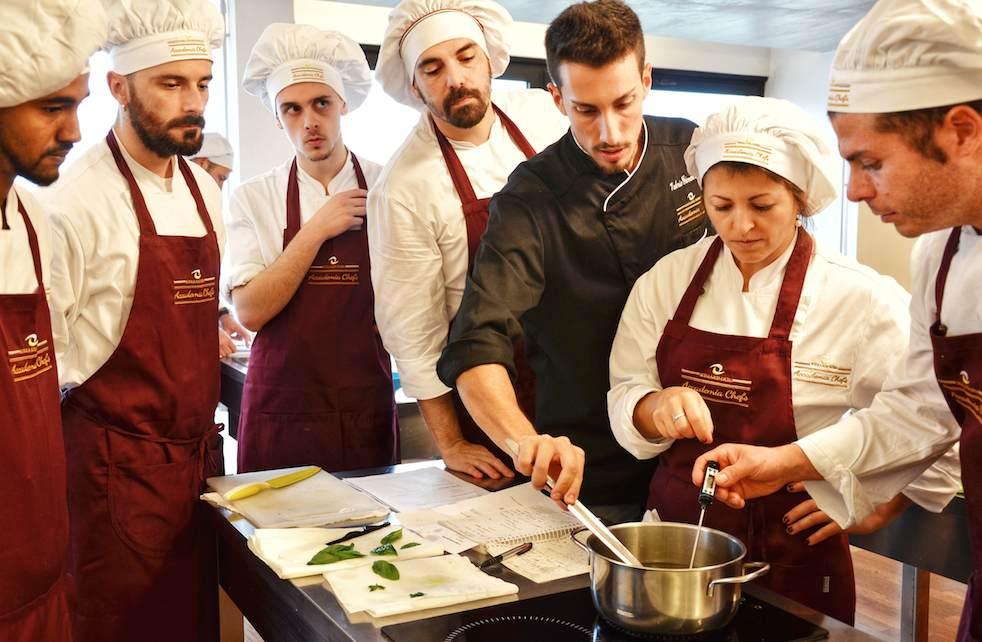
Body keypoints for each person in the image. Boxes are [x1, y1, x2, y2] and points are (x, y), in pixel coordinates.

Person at [686, 1, 982, 638]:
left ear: (961, 130)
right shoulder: (943, 255)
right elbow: (915, 414)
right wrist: (784, 464)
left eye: (871, 162)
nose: (851, 192)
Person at [606, 96, 960, 623]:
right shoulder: (666, 281)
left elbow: (936, 415)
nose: (740, 226)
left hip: (795, 547)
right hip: (677, 542)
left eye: (762, 205)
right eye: (721, 205)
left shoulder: (860, 298)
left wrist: (880, 502)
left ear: (800, 200)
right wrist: (653, 408)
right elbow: (624, 391)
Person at [436, 0, 713, 521]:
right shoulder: (530, 199)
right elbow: (476, 346)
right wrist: (525, 443)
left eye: (624, 103)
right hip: (591, 468)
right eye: (586, 109)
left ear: (647, 80)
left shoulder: (690, 149)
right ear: (557, 98)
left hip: (697, 455)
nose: (609, 132)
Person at [41, 1, 226, 640]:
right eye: (171, 84)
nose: (193, 101)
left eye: (202, 82)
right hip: (113, 477)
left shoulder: (204, 189)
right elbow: (49, 368)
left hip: (198, 470)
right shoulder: (73, 202)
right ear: (119, 88)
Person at [369, 0, 569, 481]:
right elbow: (413, 331)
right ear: (414, 85)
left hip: (577, 371)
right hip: (492, 390)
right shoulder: (403, 186)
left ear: (489, 59)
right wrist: (452, 442)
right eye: (432, 69)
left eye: (465, 57)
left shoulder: (544, 117)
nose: (455, 78)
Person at [226, 23, 398, 473]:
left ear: (343, 104)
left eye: (321, 103)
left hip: (365, 405)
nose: (309, 121)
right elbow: (250, 311)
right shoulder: (253, 197)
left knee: (369, 540)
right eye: (292, 108)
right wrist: (316, 229)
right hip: (282, 408)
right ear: (276, 117)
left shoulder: (388, 186)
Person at [0, 4, 106, 640]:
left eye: (78, 105)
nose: (74, 130)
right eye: (51, 109)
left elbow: (57, 374)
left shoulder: (40, 226)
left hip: (43, 576)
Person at [187, 132, 252, 358]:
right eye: (221, 177)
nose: (221, 187)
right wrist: (206, 331)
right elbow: (169, 292)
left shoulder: (203, 212)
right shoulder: (168, 209)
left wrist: (223, 316)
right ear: (201, 164)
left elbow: (198, 282)